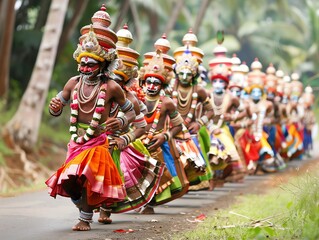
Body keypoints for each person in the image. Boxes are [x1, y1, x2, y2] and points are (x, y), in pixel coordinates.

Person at [45, 5, 137, 231]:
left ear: (103, 64)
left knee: (85, 176)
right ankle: (85, 209)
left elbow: (132, 112)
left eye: (91, 63)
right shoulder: (72, 83)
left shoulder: (113, 87)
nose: (85, 67)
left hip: (98, 141)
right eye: (83, 63)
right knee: (72, 182)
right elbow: (57, 108)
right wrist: (54, 107)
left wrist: (122, 122)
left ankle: (85, 218)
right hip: (76, 141)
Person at [139, 42, 185, 213]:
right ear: (143, 82)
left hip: (158, 143)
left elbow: (179, 126)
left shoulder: (167, 103)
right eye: (148, 82)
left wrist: (164, 137)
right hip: (137, 142)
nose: (151, 86)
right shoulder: (136, 99)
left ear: (163, 85)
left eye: (155, 83)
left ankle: (150, 204)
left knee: (158, 174)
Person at [172, 30, 215, 190]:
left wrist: (198, 123)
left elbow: (211, 111)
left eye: (188, 74)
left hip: (190, 129)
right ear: (176, 72)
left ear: (194, 74)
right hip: (172, 128)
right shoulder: (171, 88)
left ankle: (197, 180)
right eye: (181, 73)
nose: (184, 76)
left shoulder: (200, 90)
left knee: (194, 145)